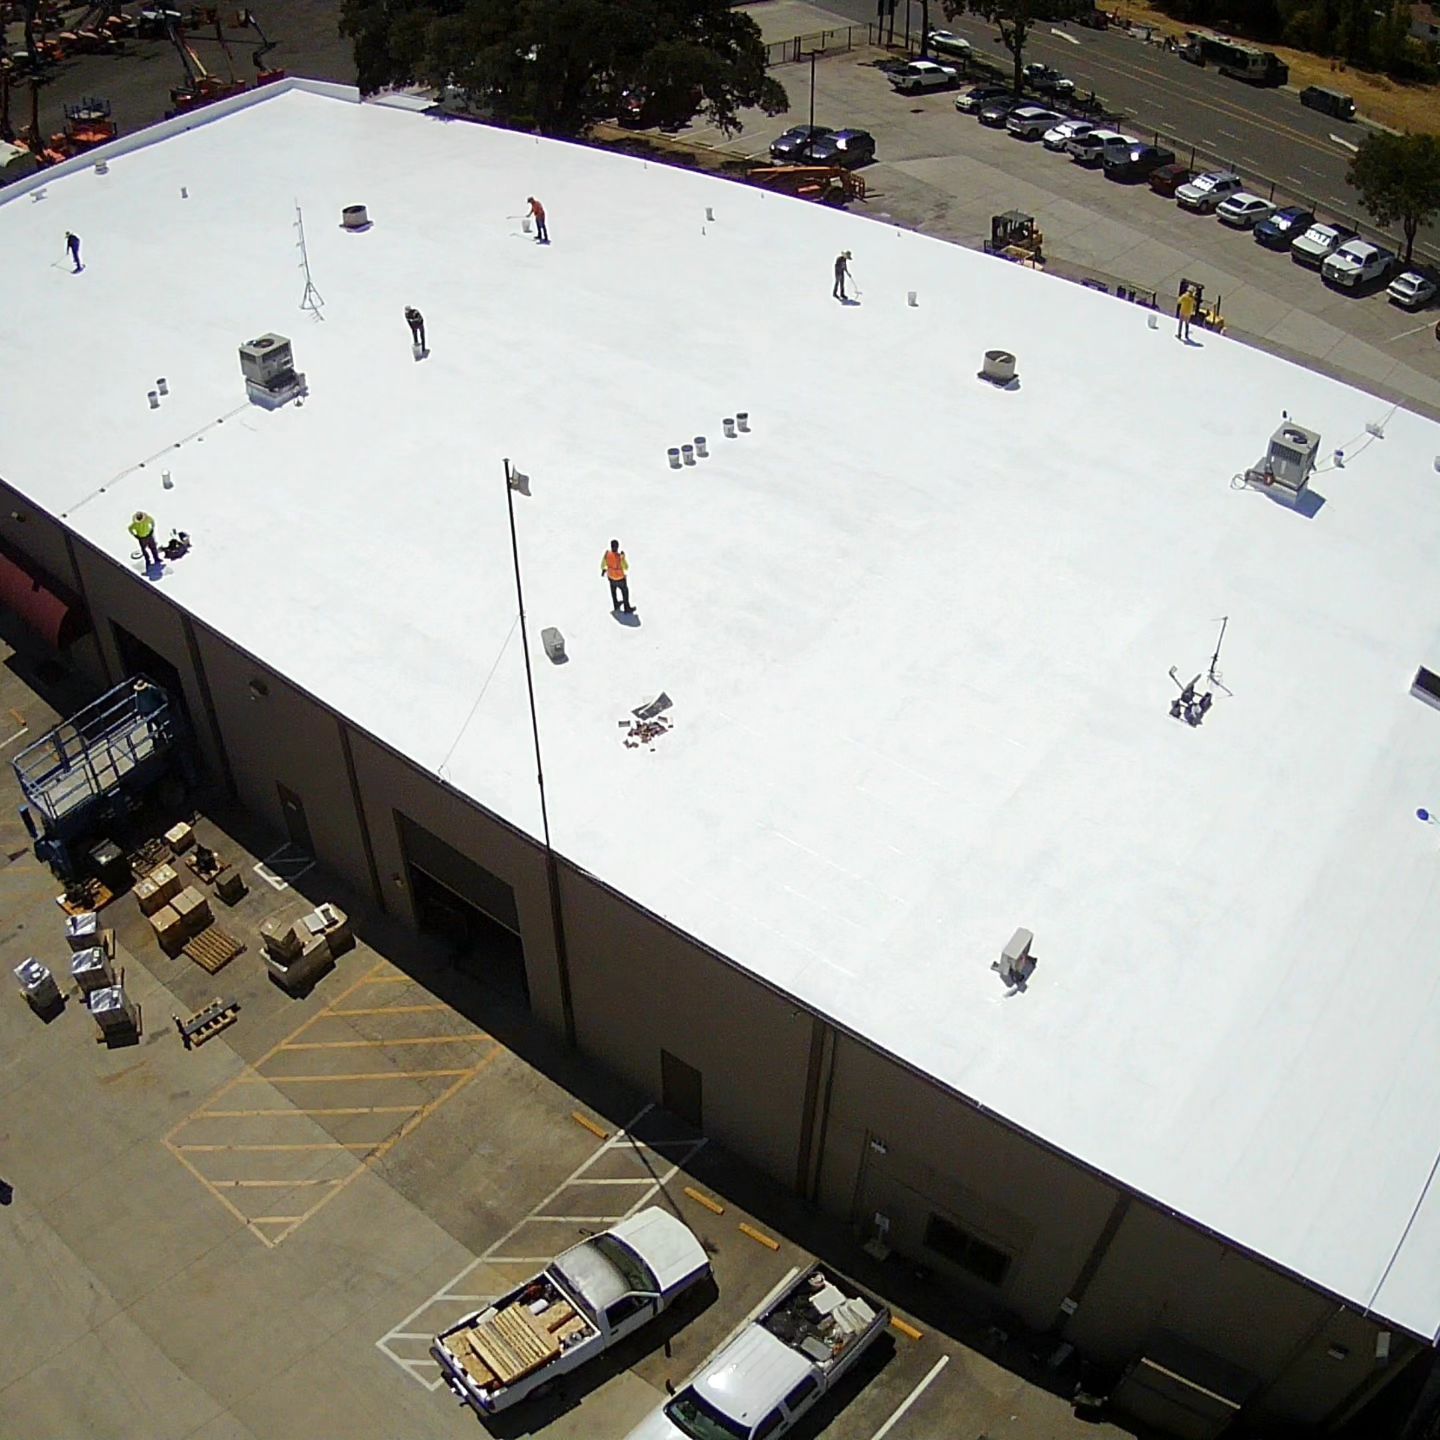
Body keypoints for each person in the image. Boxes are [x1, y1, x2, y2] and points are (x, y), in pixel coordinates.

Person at [602, 540, 633, 613]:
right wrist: (623, 557)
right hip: (620, 578)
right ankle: (627, 607)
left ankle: (616, 605)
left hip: (611, 578)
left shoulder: (607, 554)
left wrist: (603, 571)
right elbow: (626, 567)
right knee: (625, 592)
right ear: (618, 547)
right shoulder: (620, 557)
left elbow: (603, 565)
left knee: (613, 592)